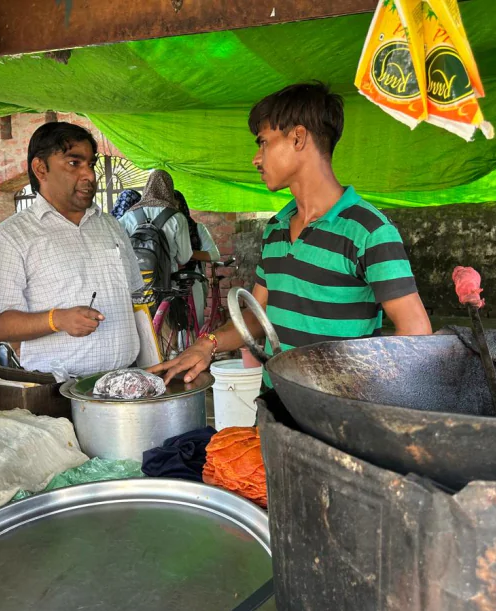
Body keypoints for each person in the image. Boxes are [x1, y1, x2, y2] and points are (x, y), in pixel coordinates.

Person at [152, 82, 432, 385]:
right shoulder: (276, 228)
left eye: (263, 142)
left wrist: (361, 394)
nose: (256, 158)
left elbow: (415, 332)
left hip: (338, 411)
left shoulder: (369, 231)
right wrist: (207, 344)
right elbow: (258, 315)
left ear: (298, 137)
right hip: (275, 402)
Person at [0, 122, 144, 377]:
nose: (89, 175)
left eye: (91, 164)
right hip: (57, 388)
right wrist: (56, 319)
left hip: (124, 380)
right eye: (74, 163)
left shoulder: (111, 226)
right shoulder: (13, 236)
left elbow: (137, 302)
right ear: (41, 168)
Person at [119, 170, 193, 288]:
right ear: (170, 190)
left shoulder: (129, 216)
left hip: (137, 283)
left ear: (147, 188)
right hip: (167, 283)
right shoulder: (178, 218)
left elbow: (120, 250)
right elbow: (184, 258)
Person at [174, 189, 220, 326]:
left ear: (182, 206)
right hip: (170, 281)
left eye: (176, 206)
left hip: (193, 281)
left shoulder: (197, 228)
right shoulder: (164, 229)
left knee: (195, 322)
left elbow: (214, 255)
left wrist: (187, 254)